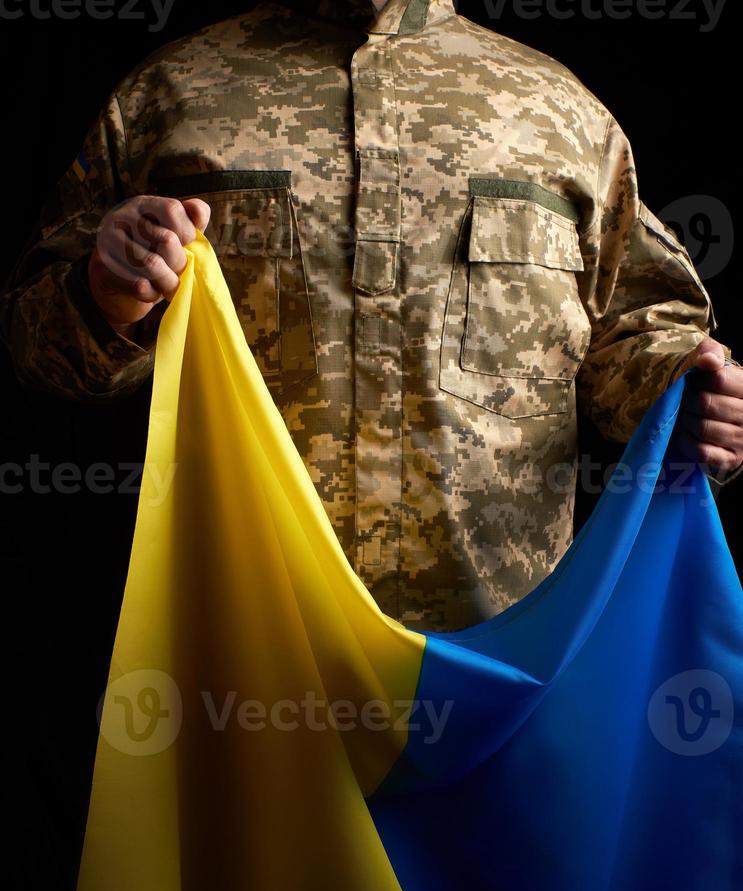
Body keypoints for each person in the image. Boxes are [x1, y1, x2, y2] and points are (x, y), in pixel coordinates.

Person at [2, 0, 742, 633]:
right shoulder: (169, 97)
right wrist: (107, 294)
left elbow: (634, 332)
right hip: (245, 653)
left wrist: (682, 391)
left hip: (495, 663)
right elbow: (34, 345)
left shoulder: (561, 117)